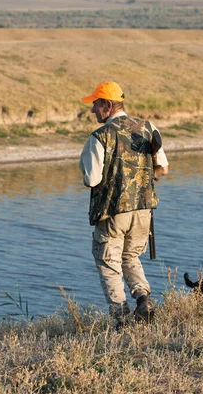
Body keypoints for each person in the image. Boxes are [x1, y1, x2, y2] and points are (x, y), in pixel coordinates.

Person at [79, 81, 169, 329]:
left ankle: (121, 320)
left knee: (108, 262)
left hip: (113, 213)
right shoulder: (148, 128)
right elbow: (163, 168)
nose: (93, 110)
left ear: (107, 105)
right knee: (130, 257)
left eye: (96, 104)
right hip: (144, 211)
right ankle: (143, 299)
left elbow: (92, 180)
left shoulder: (99, 137)